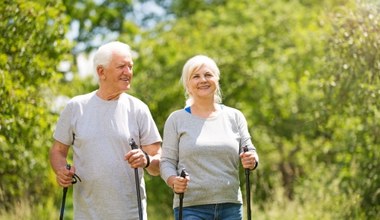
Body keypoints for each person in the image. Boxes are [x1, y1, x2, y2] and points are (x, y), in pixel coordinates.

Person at [49, 41, 162, 219]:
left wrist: (147, 160)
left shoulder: (138, 109)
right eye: (121, 67)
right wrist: (61, 170)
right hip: (86, 215)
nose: (128, 72)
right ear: (101, 72)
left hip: (131, 215)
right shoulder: (76, 107)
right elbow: (58, 151)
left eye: (130, 66)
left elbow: (158, 163)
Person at [160, 55, 259, 220]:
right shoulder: (176, 119)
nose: (203, 80)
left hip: (230, 206)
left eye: (208, 75)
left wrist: (252, 160)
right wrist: (173, 181)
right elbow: (167, 162)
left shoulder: (234, 116)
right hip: (191, 208)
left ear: (217, 79)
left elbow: (250, 151)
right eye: (196, 76)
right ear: (188, 85)